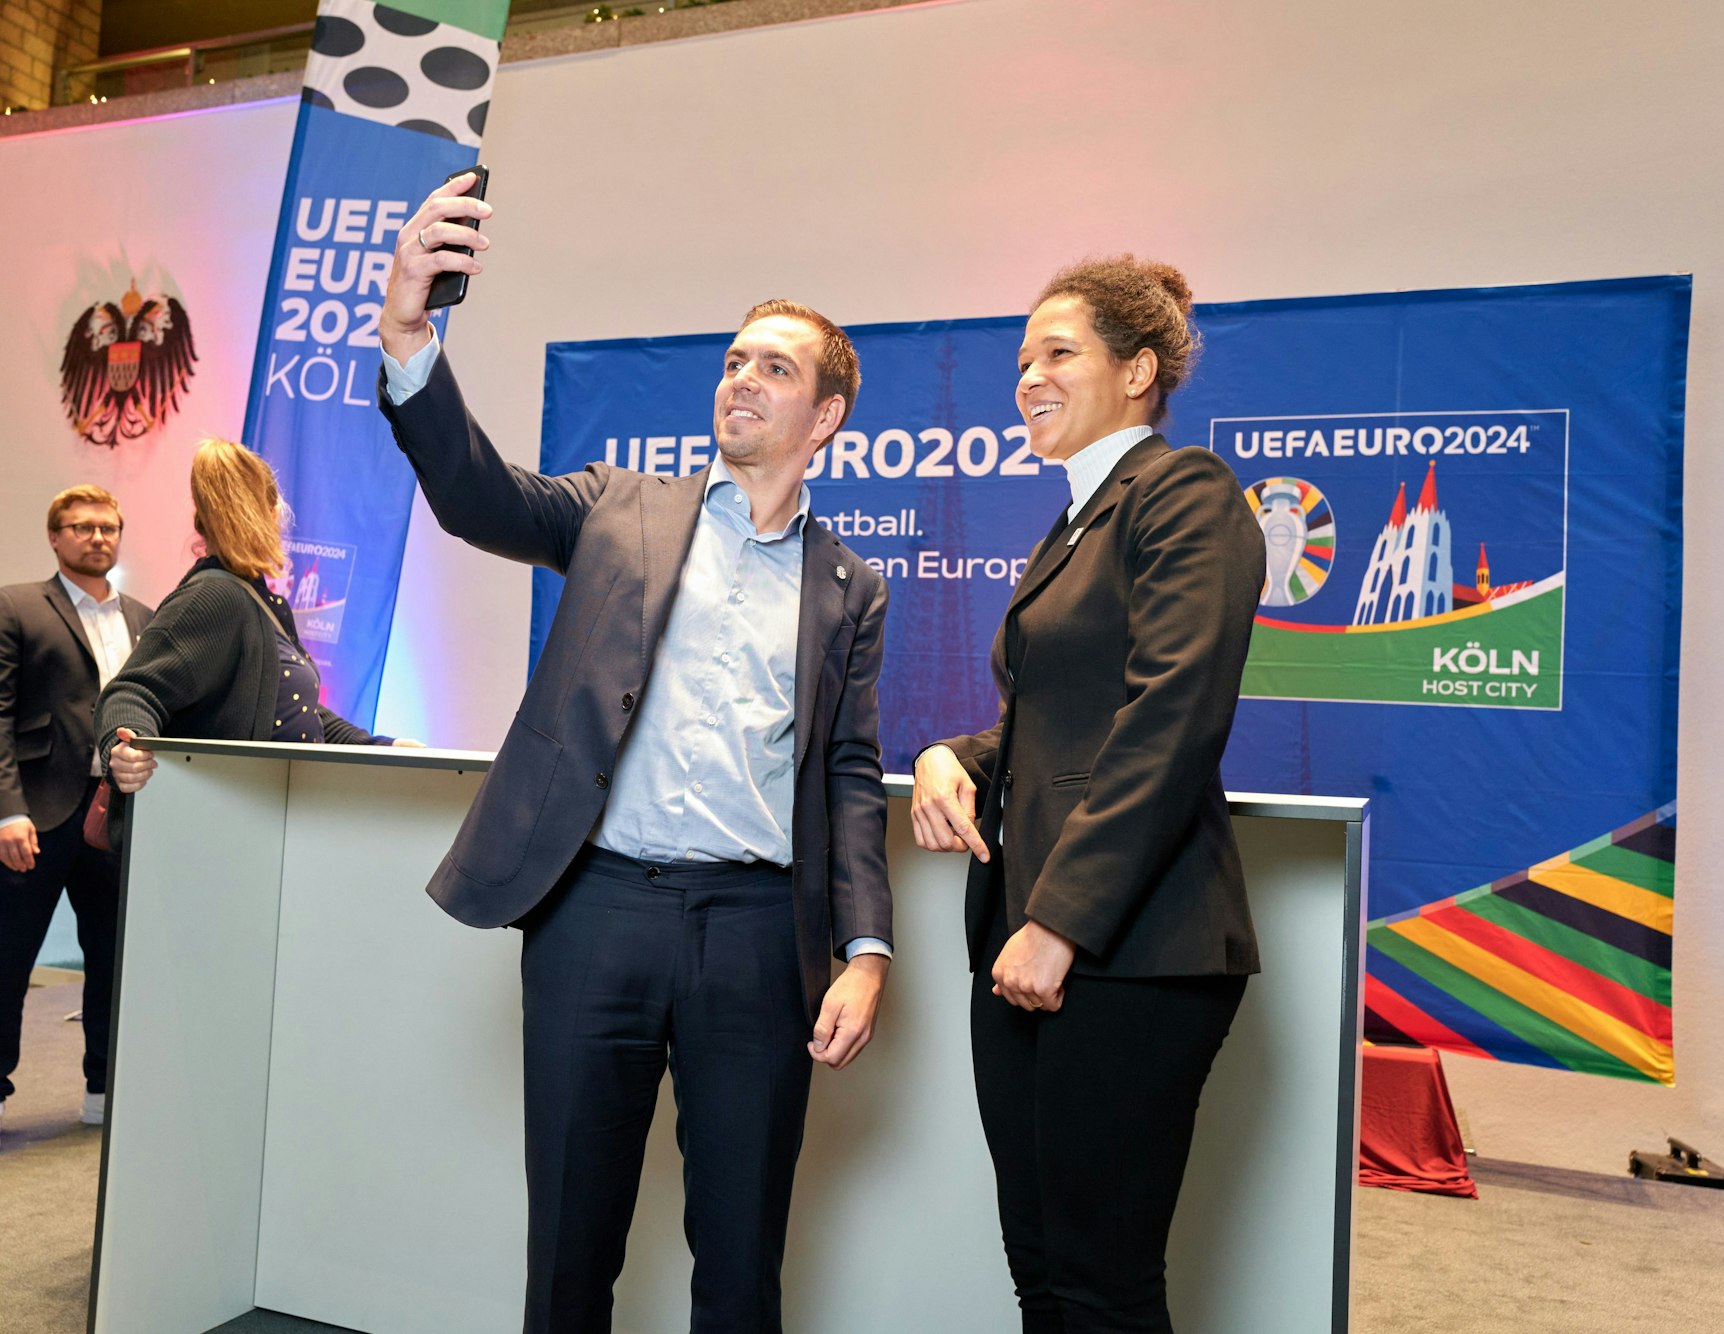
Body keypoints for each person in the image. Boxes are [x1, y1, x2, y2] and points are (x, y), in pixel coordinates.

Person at [375, 174, 893, 1333]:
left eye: (775, 366)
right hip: (594, 910)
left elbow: (849, 771)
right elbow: (475, 495)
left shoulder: (853, 585)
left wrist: (865, 948)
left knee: (742, 1257)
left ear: (826, 418)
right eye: (733, 359)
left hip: (762, 936)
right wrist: (409, 328)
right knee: (569, 1244)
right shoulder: (620, 505)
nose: (741, 379)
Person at [910, 255, 1265, 1333]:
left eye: (1058, 352)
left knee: (1101, 1283)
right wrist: (956, 753)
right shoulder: (1073, 520)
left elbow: (1171, 718)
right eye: (1022, 359)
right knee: (1045, 1271)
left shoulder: (1186, 492)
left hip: (1132, 947)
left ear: (1140, 370)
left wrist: (1059, 919)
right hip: (1027, 935)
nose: (1029, 378)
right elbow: (1057, 718)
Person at [98, 440, 405, 802]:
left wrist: (385, 747)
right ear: (269, 511)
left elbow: (295, 708)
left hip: (265, 817)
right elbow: (132, 692)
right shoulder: (214, 597)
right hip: (223, 819)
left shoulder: (257, 601)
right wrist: (125, 748)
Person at [0, 486, 153, 1132]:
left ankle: (103, 1090)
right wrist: (7, 810)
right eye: (82, 526)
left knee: (115, 962)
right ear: (55, 537)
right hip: (35, 816)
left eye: (109, 526)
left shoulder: (147, 619)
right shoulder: (16, 606)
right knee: (7, 960)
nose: (98, 536)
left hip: (116, 818)